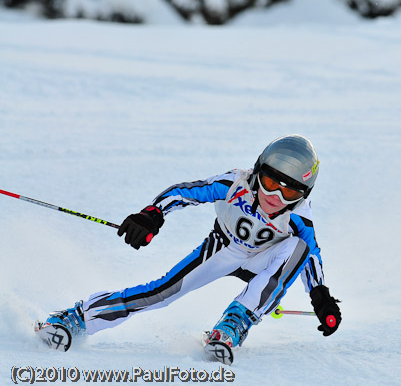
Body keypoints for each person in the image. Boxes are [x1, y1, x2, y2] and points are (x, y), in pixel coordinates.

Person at [41, 134, 342, 364]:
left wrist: (320, 295)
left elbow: (311, 255)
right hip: (224, 248)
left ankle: (233, 325)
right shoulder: (234, 183)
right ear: (257, 171)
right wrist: (152, 215)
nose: (275, 196)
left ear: (303, 194)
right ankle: (76, 318)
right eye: (268, 182)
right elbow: (187, 192)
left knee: (299, 247)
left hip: (266, 259)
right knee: (161, 292)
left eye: (289, 190)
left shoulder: (301, 217)